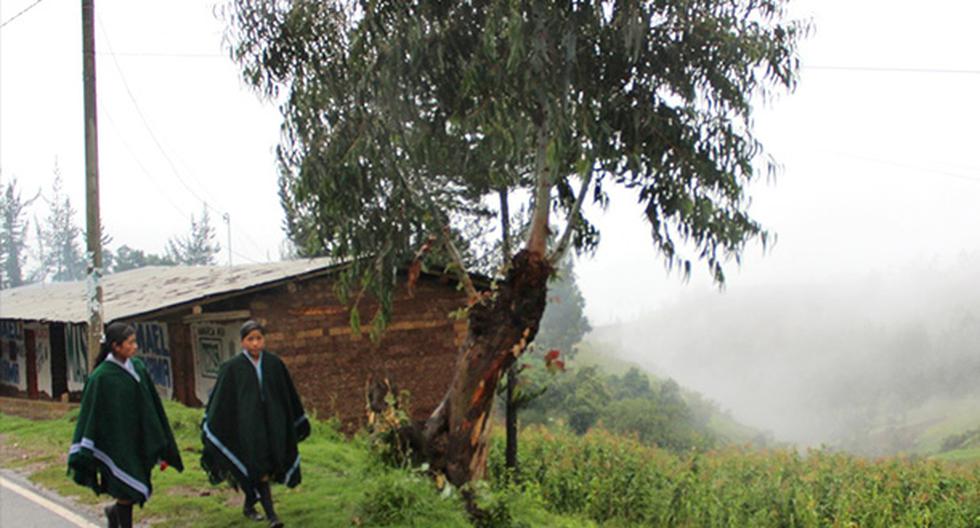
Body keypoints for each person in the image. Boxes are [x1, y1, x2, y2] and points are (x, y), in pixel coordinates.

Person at [67, 322, 184, 528]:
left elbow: (150, 403)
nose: (135, 347)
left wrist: (157, 436)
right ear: (115, 346)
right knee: (125, 490)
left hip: (139, 438)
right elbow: (92, 413)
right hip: (115, 442)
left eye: (134, 342)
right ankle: (120, 518)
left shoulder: (137, 367)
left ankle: (114, 514)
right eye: (130, 343)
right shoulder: (101, 377)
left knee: (133, 488)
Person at [201, 320, 310, 528]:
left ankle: (249, 505)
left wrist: (292, 420)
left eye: (259, 338)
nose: (255, 344)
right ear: (242, 342)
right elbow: (222, 400)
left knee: (268, 465)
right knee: (258, 468)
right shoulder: (232, 368)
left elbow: (287, 394)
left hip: (271, 425)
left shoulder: (274, 364)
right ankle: (272, 517)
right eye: (250, 339)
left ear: (264, 340)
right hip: (246, 428)